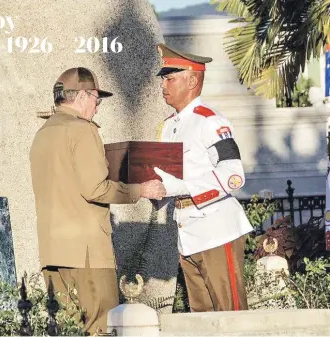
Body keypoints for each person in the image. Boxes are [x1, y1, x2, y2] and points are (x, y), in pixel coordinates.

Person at [29, 67, 166, 335]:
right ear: (82, 96)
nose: (97, 107)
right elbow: (96, 189)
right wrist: (142, 190)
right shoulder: (82, 130)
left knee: (67, 329)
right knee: (101, 326)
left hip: (53, 252)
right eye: (96, 100)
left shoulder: (42, 134)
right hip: (87, 253)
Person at [152, 43, 253, 312]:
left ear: (193, 80)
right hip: (187, 232)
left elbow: (233, 176)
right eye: (163, 79)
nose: (164, 85)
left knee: (231, 316)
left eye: (170, 78)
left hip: (216, 229)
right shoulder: (169, 126)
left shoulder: (210, 121)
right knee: (202, 320)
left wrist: (181, 187)